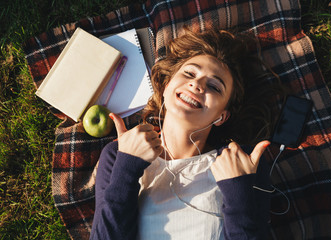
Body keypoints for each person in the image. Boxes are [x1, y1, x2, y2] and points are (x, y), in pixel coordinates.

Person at [90, 27, 282, 240]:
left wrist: (238, 191)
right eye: (189, 73)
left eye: (215, 87)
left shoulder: (240, 165)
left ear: (221, 116)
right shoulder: (120, 154)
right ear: (166, 86)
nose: (197, 84)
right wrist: (126, 167)